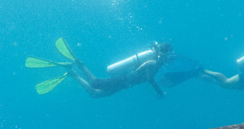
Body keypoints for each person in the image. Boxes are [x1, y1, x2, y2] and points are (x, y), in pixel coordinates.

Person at [26, 38, 178, 98]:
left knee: (95, 94)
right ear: (164, 54)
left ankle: (72, 73)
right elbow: (146, 70)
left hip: (125, 84)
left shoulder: (156, 63)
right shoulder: (154, 62)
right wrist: (156, 88)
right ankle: (79, 63)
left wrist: (155, 87)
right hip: (125, 79)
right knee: (95, 83)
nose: (169, 59)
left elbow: (147, 75)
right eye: (169, 55)